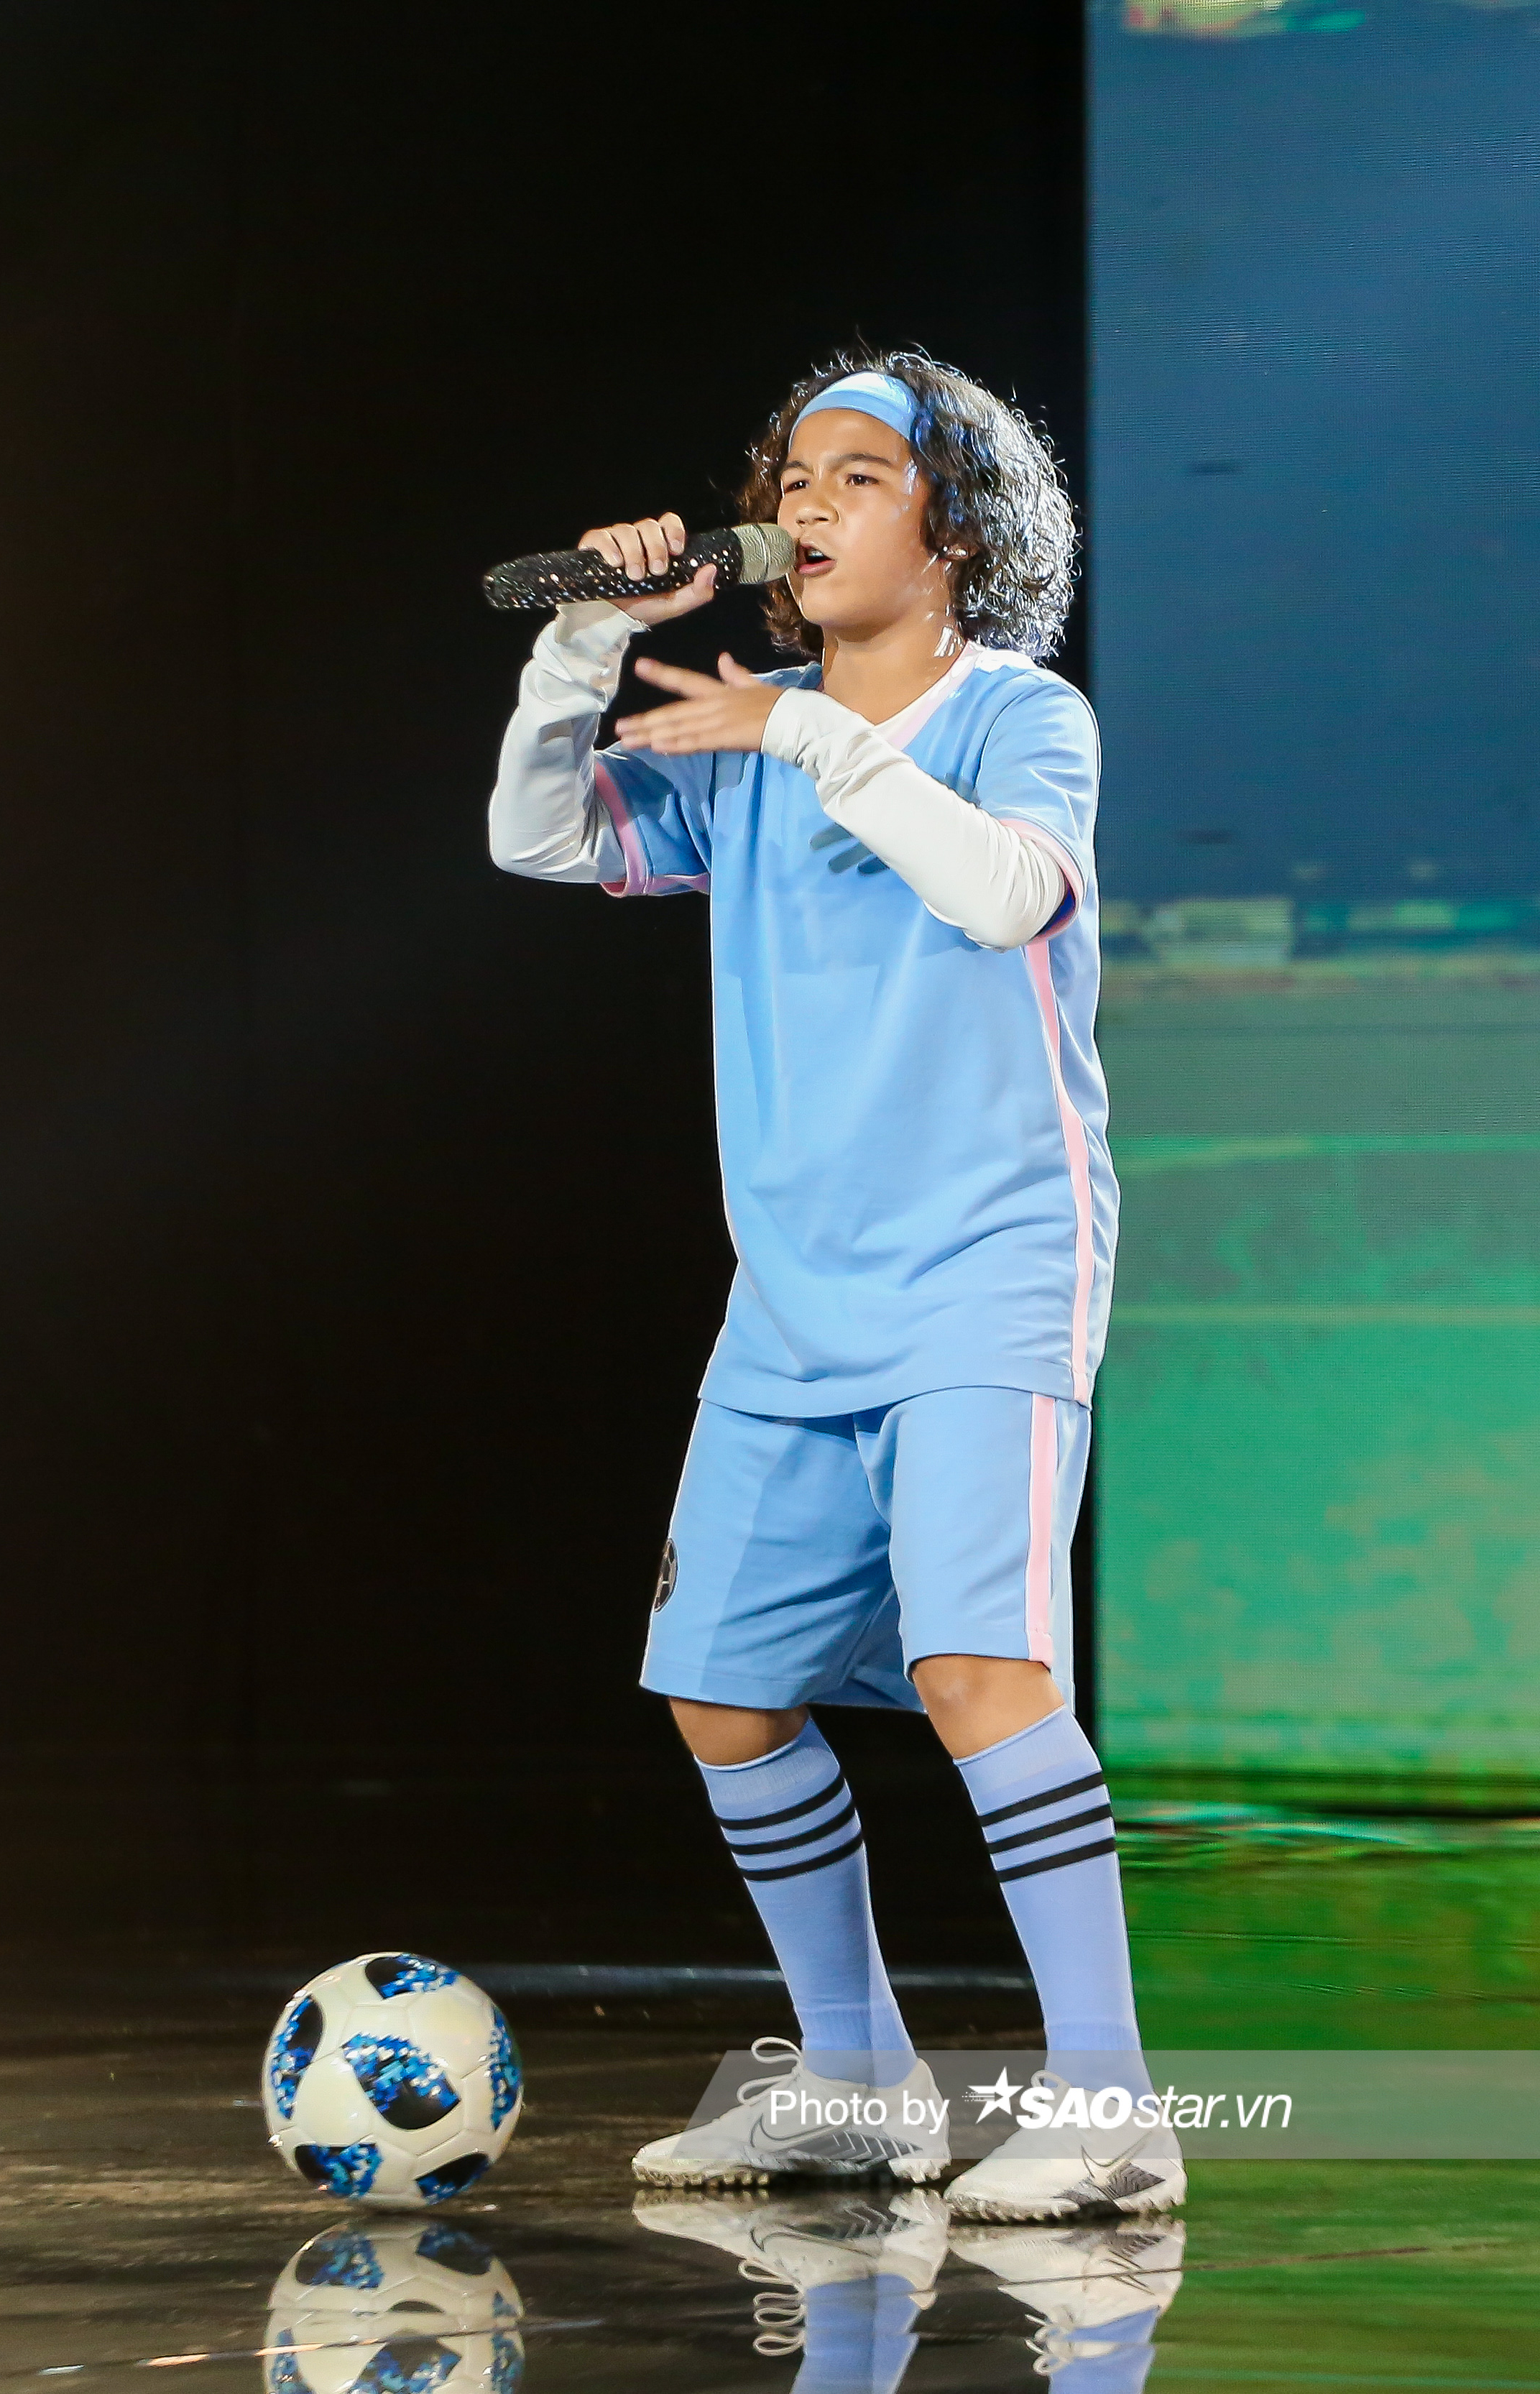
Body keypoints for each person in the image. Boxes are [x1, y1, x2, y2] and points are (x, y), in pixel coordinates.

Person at [487, 350, 1185, 2222]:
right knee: (722, 1692)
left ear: (960, 527)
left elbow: (1004, 893)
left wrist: (802, 741)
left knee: (980, 1673)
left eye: (858, 475)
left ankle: (1113, 2103)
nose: (805, 504)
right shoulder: (754, 728)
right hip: (793, 1304)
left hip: (987, 1274)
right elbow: (539, 836)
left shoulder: (1018, 714)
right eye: (792, 476)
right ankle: (860, 2082)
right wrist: (589, 642)